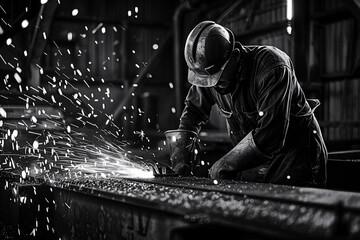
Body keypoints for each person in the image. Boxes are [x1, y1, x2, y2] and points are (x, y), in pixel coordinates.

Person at [169, 20, 327, 188]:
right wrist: (181, 154)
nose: (213, 85)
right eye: (207, 81)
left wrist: (226, 163)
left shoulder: (272, 67)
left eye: (217, 78)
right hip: (255, 160)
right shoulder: (209, 74)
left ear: (235, 56)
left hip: (294, 157)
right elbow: (193, 112)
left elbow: (271, 134)